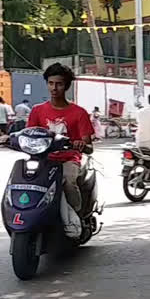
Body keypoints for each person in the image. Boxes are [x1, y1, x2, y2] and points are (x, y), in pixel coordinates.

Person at [27, 63, 95, 214]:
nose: (54, 88)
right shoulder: (37, 111)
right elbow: (29, 134)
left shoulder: (79, 113)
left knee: (69, 182)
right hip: (43, 160)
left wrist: (80, 145)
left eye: (59, 84)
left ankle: (76, 216)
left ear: (66, 86)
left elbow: (89, 147)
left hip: (68, 160)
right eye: (51, 83)